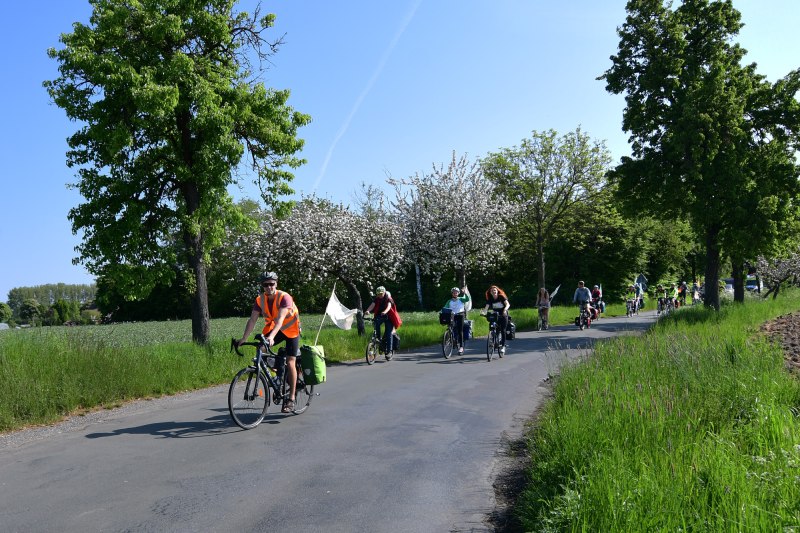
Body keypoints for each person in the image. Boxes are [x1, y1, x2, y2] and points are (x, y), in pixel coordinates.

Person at [238, 272, 301, 413]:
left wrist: (271, 337)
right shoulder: (260, 300)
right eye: (265, 284)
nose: (269, 287)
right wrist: (244, 339)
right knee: (260, 349)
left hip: (291, 330)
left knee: (291, 361)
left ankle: (290, 398)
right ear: (262, 286)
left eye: (271, 284)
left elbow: (280, 320)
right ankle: (277, 377)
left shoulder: (285, 297)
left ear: (276, 284)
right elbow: (252, 320)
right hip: (275, 329)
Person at [364, 286, 395, 355]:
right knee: (376, 323)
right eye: (378, 294)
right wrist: (368, 311)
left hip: (389, 317)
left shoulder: (388, 298)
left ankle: (389, 350)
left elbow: (389, 306)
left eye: (381, 294)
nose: (379, 295)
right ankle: (378, 337)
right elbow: (372, 305)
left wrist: (385, 311)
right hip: (380, 315)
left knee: (388, 333)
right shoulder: (377, 299)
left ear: (384, 292)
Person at [481, 285, 510, 355]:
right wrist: (484, 312)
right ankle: (494, 341)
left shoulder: (501, 297)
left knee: (503, 330)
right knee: (493, 328)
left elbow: (508, 304)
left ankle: (503, 346)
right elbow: (486, 307)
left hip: (503, 314)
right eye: (492, 291)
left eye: (495, 290)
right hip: (495, 315)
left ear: (497, 291)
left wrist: (505, 310)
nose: (493, 292)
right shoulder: (490, 299)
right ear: (490, 292)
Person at [443, 287, 470, 354]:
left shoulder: (461, 299)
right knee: (452, 328)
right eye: (454, 292)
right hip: (452, 316)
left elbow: (467, 299)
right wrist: (441, 312)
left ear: (458, 293)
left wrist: (464, 292)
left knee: (460, 330)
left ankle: (461, 347)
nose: (455, 293)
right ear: (452, 293)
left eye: (456, 292)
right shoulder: (449, 301)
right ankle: (453, 340)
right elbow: (445, 308)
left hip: (460, 315)